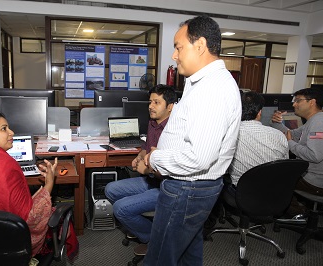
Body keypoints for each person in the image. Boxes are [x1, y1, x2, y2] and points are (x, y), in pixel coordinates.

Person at [136, 16, 242, 266]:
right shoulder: (203, 83)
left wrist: (155, 157)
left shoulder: (211, 90)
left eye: (178, 46)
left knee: (160, 257)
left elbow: (199, 157)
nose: (174, 55)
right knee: (187, 254)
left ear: (200, 45)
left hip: (187, 189)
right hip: (192, 189)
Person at [0, 110, 78, 258]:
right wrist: (49, 184)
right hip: (5, 245)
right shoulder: (5, 164)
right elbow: (30, 218)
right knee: (59, 217)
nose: (12, 132)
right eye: (4, 129)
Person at [104, 84, 176, 247]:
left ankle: (154, 240)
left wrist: (148, 170)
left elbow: (167, 170)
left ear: (170, 107)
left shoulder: (174, 130)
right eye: (150, 102)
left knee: (120, 209)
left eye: (156, 102)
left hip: (166, 187)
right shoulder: (153, 122)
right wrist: (139, 156)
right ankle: (143, 227)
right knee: (110, 189)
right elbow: (146, 147)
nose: (150, 106)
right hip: (152, 180)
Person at [271, 87, 323, 216]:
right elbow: (292, 134)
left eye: (298, 101)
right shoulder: (314, 120)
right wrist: (277, 122)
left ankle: (298, 213)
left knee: (274, 177)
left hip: (315, 182)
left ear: (312, 102)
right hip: (312, 175)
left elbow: (315, 156)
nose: (294, 104)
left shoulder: (319, 123)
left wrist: (290, 144)